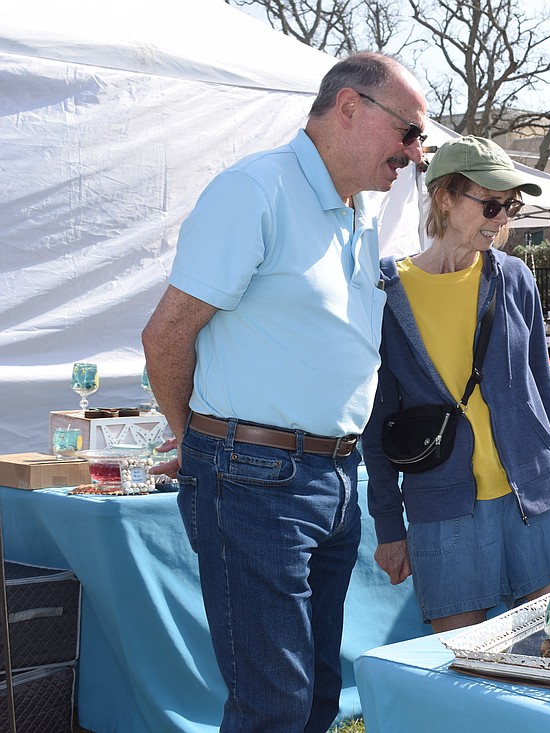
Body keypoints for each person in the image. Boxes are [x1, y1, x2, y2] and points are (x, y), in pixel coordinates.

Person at [140, 52, 427, 733]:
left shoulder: (357, 211)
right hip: (253, 476)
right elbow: (165, 338)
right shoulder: (256, 190)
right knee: (275, 705)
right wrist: (198, 441)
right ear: (349, 108)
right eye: (409, 132)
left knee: (318, 697)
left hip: (331, 478)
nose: (416, 153)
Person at [362, 135, 550, 633]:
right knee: (460, 666)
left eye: (510, 206)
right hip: (443, 508)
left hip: (535, 501)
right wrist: (389, 526)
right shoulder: (386, 290)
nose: (502, 218)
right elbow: (377, 422)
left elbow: (540, 394)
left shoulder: (515, 278)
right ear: (444, 198)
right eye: (491, 204)